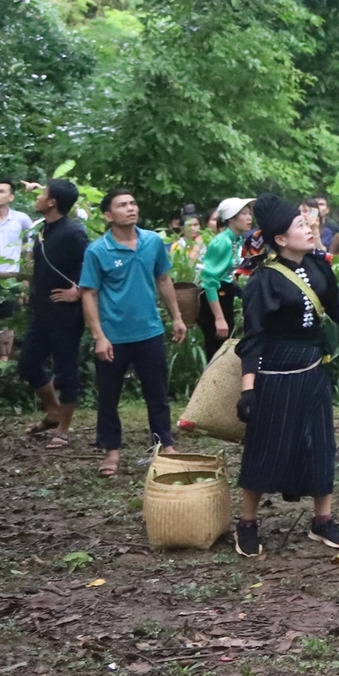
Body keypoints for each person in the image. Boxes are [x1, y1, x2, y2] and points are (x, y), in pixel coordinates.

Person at [231, 195, 339, 556]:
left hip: (314, 367)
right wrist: (248, 390)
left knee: (319, 442)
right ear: (281, 240)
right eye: (300, 225)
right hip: (275, 371)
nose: (309, 228)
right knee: (264, 445)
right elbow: (254, 339)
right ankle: (248, 523)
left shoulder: (319, 266)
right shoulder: (263, 282)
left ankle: (322, 520)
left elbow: (333, 301)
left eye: (306, 222)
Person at [79, 188, 189, 478]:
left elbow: (163, 279)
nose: (131, 208)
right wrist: (98, 336)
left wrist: (177, 317)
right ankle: (111, 451)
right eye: (122, 205)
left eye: (132, 203)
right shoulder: (97, 251)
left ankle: (165, 444)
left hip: (149, 330)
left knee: (157, 392)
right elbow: (88, 294)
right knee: (108, 396)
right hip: (113, 335)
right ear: (108, 215)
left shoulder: (152, 242)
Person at [18, 178, 87, 447]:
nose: (37, 198)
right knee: (28, 363)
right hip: (42, 312)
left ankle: (63, 429)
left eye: (42, 194)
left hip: (66, 314)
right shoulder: (44, 230)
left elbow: (92, 264)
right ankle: (53, 411)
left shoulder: (73, 232)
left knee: (66, 370)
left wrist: (78, 291)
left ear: (52, 202)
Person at [0, 179, 34, 360]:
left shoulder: (22, 219)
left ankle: (3, 359)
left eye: (2, 191)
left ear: (11, 197)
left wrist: (25, 280)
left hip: (9, 278)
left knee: (8, 321)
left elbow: (29, 248)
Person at [198, 197, 251, 360]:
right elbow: (209, 281)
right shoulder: (222, 242)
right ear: (231, 219)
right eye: (244, 214)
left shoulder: (237, 239)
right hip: (214, 301)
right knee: (217, 352)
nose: (250, 218)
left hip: (226, 294)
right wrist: (219, 319)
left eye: (250, 213)